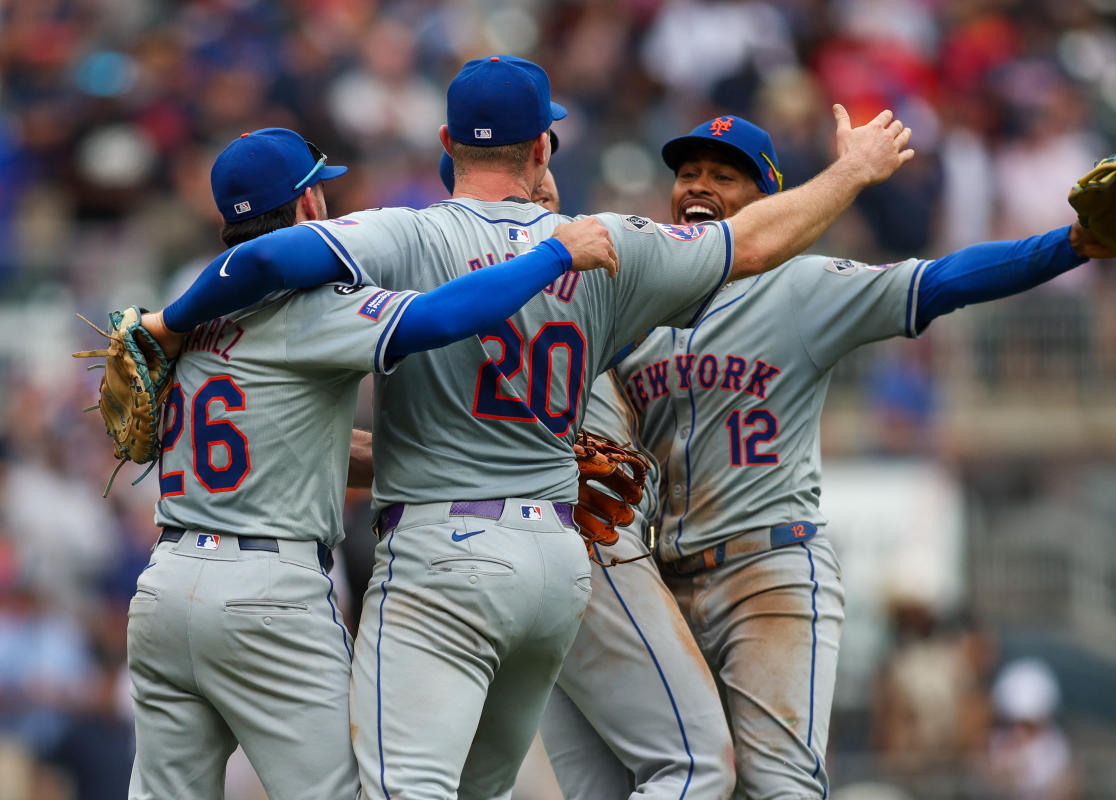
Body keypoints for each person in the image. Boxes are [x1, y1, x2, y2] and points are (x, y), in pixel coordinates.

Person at [139, 56, 913, 798]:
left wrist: (163, 325)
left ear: (446, 145)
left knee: (401, 788)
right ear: (544, 144)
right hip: (550, 553)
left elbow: (290, 285)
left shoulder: (393, 241)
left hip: (356, 559)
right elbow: (750, 246)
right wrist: (851, 172)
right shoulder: (603, 239)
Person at [612, 115, 1116, 798]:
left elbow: (945, 280)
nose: (699, 187)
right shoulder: (638, 303)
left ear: (770, 194)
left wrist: (1068, 246)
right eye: (688, 173)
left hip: (765, 573)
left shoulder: (804, 288)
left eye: (724, 175)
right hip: (666, 585)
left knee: (781, 787)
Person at [124, 126, 617, 800]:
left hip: (166, 586)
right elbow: (443, 316)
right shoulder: (311, 305)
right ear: (307, 208)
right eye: (321, 190)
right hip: (267, 596)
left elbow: (295, 445)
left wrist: (487, 468)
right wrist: (553, 256)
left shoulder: (180, 319)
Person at [442, 157, 738, 798]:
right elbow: (736, 258)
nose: (546, 171)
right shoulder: (580, 281)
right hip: (584, 538)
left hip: (481, 551)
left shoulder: (440, 285)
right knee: (695, 766)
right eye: (532, 158)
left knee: (595, 789)